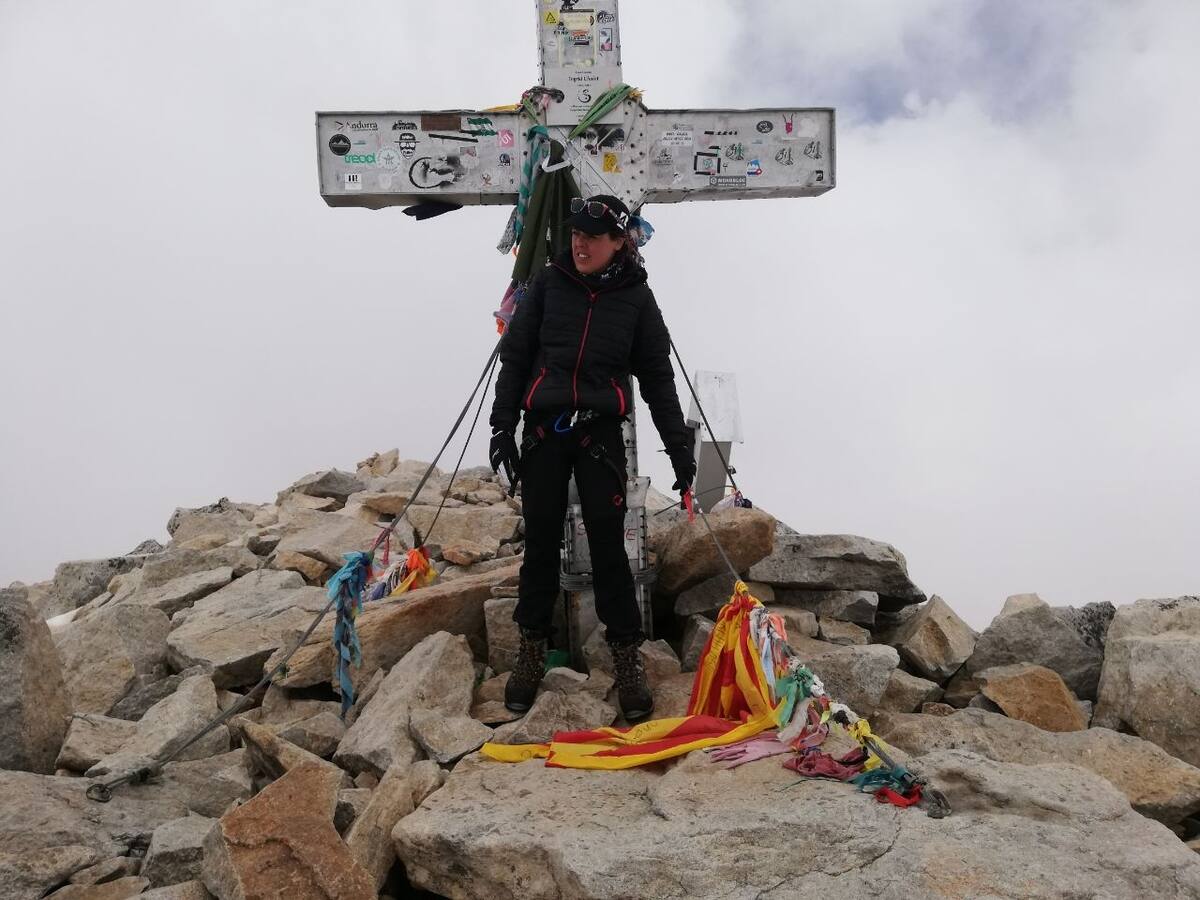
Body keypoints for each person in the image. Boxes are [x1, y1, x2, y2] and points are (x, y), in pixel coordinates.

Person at [489, 194, 695, 722]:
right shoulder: (548, 285)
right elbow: (514, 357)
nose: (580, 243)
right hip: (544, 429)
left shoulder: (637, 300)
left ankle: (628, 658)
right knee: (539, 542)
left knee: (609, 548)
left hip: (599, 431)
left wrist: (679, 449)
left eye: (593, 237)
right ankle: (531, 652)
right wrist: (500, 426)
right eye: (575, 233)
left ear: (619, 242)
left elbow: (657, 377)